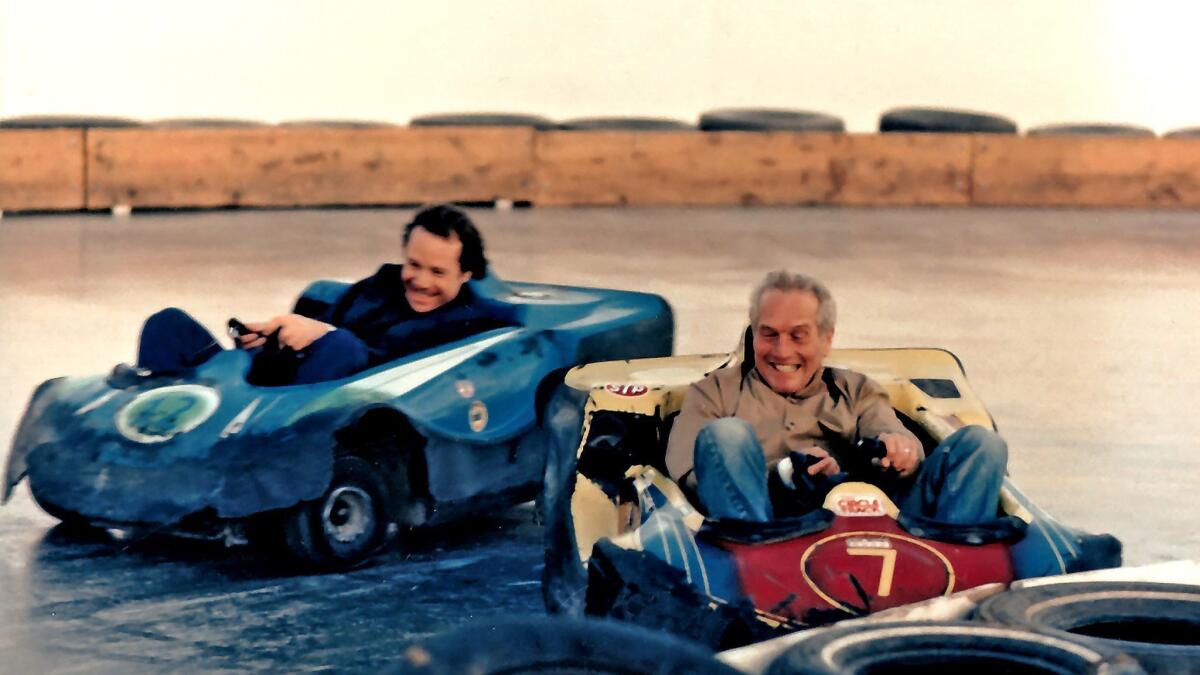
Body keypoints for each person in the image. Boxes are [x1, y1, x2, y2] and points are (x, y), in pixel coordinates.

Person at [664, 270, 1007, 525]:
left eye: (799, 337)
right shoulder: (714, 393)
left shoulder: (856, 390)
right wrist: (782, 473)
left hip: (871, 529)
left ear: (826, 340)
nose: (783, 351)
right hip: (767, 528)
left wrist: (900, 450)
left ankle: (960, 563)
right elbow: (690, 476)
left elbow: (888, 429)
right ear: (754, 337)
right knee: (727, 434)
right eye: (770, 335)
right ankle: (751, 558)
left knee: (983, 443)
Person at [133, 204, 515, 385]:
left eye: (438, 272)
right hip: (280, 383)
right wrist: (270, 336)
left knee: (343, 347)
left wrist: (324, 337)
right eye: (413, 265)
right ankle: (157, 436)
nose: (420, 280)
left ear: (466, 274)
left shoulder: (471, 321)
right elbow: (325, 324)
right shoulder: (382, 285)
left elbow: (389, 367)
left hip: (339, 410)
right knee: (167, 325)